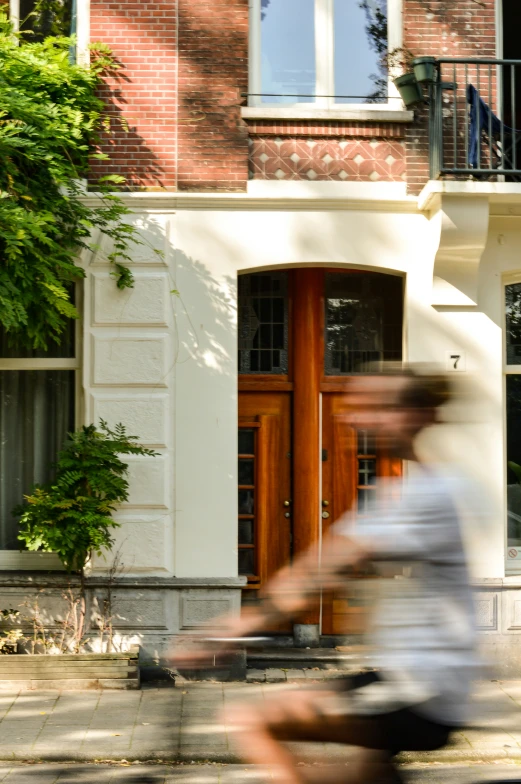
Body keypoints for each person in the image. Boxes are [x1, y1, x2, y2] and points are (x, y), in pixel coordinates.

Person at [172, 367, 480, 784]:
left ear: (417, 415)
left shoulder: (428, 494)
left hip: (419, 689)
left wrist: (236, 626)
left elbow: (327, 568)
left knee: (255, 721)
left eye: (375, 408)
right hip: (404, 677)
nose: (355, 418)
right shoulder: (411, 491)